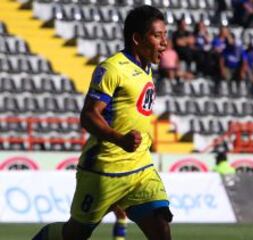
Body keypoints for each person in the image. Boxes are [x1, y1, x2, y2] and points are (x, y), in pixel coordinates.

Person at [32, 5, 173, 240]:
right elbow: (88, 115)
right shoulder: (112, 68)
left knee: (161, 227)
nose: (164, 43)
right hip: (105, 170)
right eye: (157, 36)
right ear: (137, 39)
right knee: (74, 234)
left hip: (140, 169)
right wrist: (119, 139)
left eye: (165, 35)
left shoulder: (146, 68)